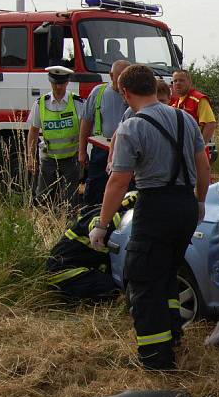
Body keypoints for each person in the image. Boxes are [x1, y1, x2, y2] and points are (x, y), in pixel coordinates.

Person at [89, 65, 210, 371]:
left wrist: (101, 225)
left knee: (143, 280)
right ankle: (173, 337)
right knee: (168, 274)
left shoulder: (132, 126)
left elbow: (118, 181)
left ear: (125, 92)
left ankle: (156, 359)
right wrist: (199, 201)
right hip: (185, 205)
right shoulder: (185, 118)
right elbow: (204, 166)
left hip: (155, 207)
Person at [47, 191, 138, 300]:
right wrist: (101, 227)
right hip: (65, 273)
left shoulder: (108, 215)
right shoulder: (109, 218)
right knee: (112, 288)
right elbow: (94, 224)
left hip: (73, 269)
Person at [26, 66, 86, 206]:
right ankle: (44, 225)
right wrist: (30, 157)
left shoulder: (77, 102)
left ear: (67, 82)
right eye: (55, 83)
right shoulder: (41, 103)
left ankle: (66, 225)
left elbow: (85, 129)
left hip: (71, 158)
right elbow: (33, 131)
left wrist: (82, 152)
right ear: (50, 82)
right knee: (43, 198)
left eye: (61, 83)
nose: (58, 87)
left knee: (70, 200)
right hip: (48, 158)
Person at [78, 60, 131, 206]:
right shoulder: (98, 92)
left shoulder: (132, 94)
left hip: (126, 150)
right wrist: (82, 151)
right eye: (120, 75)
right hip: (101, 150)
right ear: (111, 75)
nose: (123, 79)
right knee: (95, 188)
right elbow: (86, 122)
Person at [169, 70, 217, 142]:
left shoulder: (198, 99)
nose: (177, 83)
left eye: (181, 80)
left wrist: (201, 147)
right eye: (175, 81)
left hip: (195, 150)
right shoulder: (175, 103)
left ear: (190, 82)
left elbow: (210, 124)